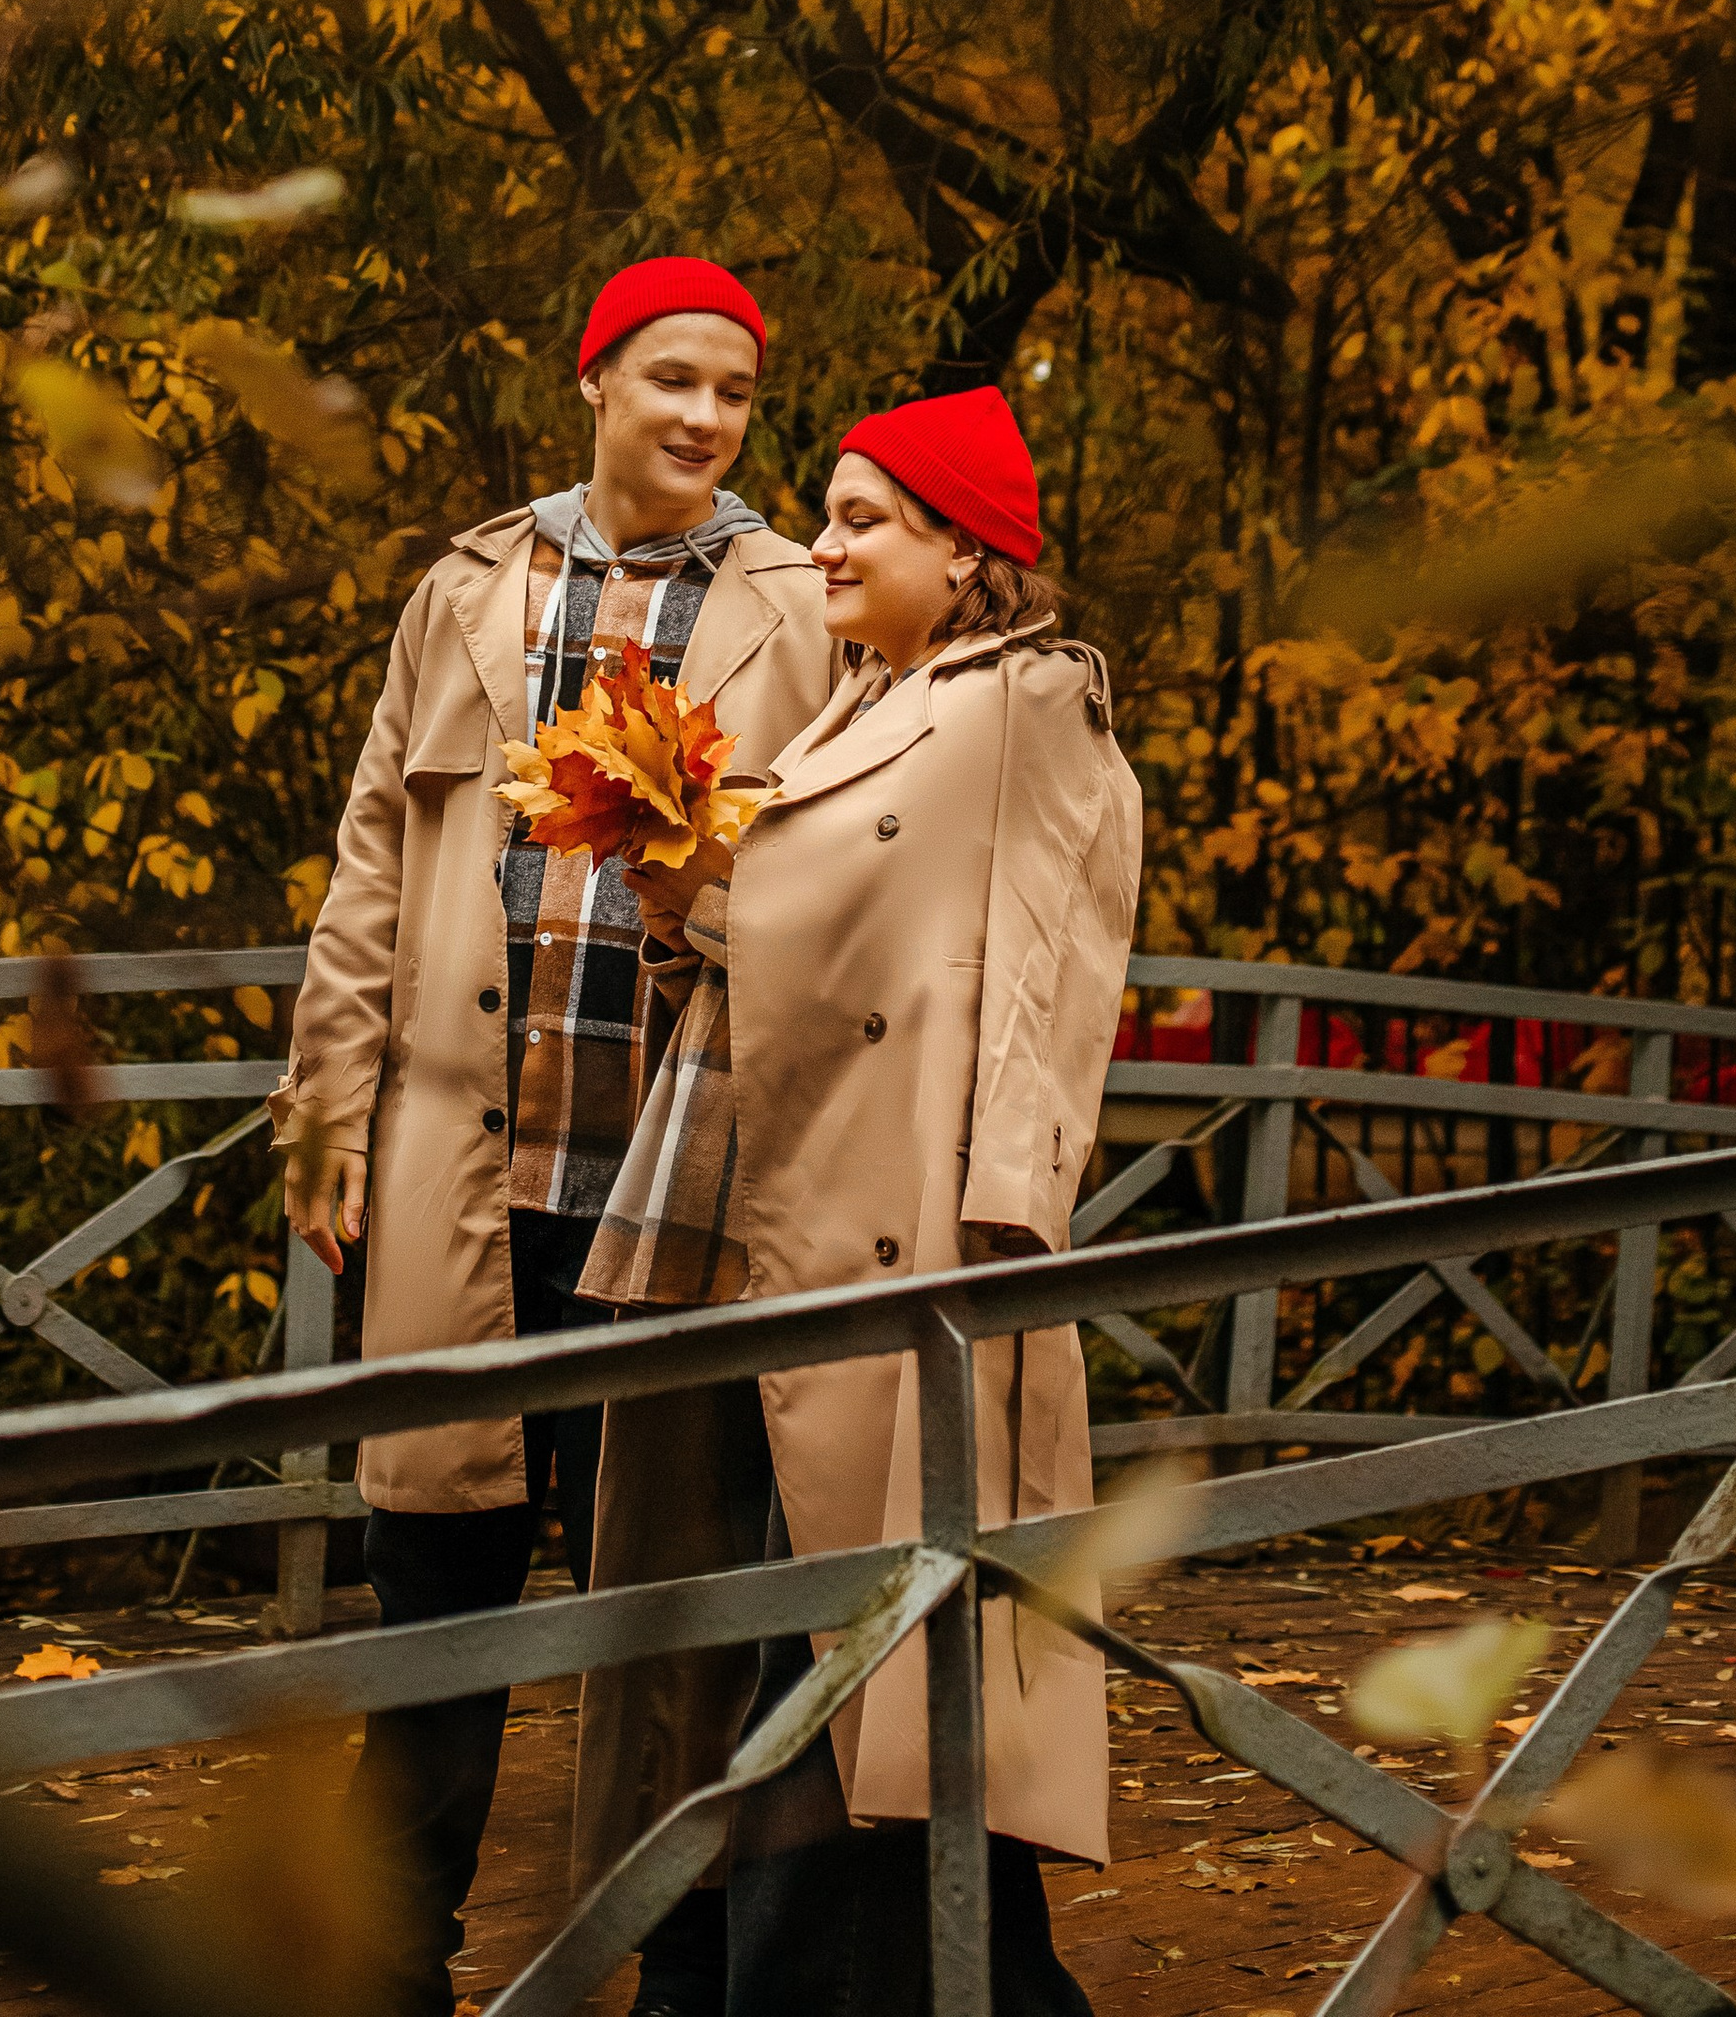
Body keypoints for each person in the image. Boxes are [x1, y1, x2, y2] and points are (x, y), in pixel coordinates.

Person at [269, 255, 833, 2017]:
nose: (704, 419)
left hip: (676, 1196)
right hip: (468, 1185)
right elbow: (376, 861)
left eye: (734, 394)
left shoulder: (795, 602)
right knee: (434, 1605)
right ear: (593, 381)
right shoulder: (466, 592)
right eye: (671, 379)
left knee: (669, 1631)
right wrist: (326, 1108)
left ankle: (677, 1981)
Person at [573, 381, 1143, 2017]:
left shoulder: (1031, 701)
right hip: (771, 1242)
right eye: (827, 512)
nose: (818, 543)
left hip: (905, 1263)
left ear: (966, 550)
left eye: (861, 518)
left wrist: (1011, 1224)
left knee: (854, 1700)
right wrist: (688, 897)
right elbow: (812, 949)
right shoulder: (857, 705)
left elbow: (1057, 966)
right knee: (846, 1698)